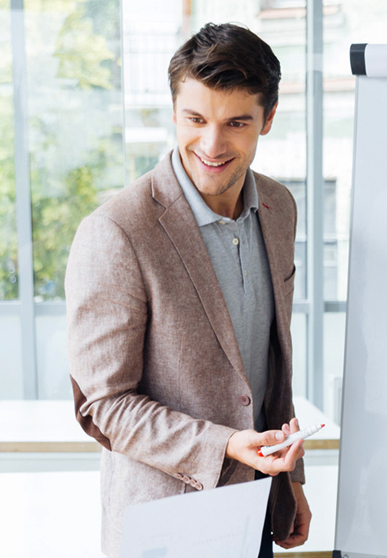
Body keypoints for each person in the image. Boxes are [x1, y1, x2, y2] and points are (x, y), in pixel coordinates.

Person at [65, 22, 310, 558]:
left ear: (268, 119)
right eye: (195, 120)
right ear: (175, 112)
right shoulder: (117, 231)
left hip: (256, 508)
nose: (212, 145)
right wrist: (224, 444)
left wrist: (292, 482)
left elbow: (268, 369)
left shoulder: (279, 208)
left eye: (236, 123)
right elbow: (103, 406)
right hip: (164, 526)